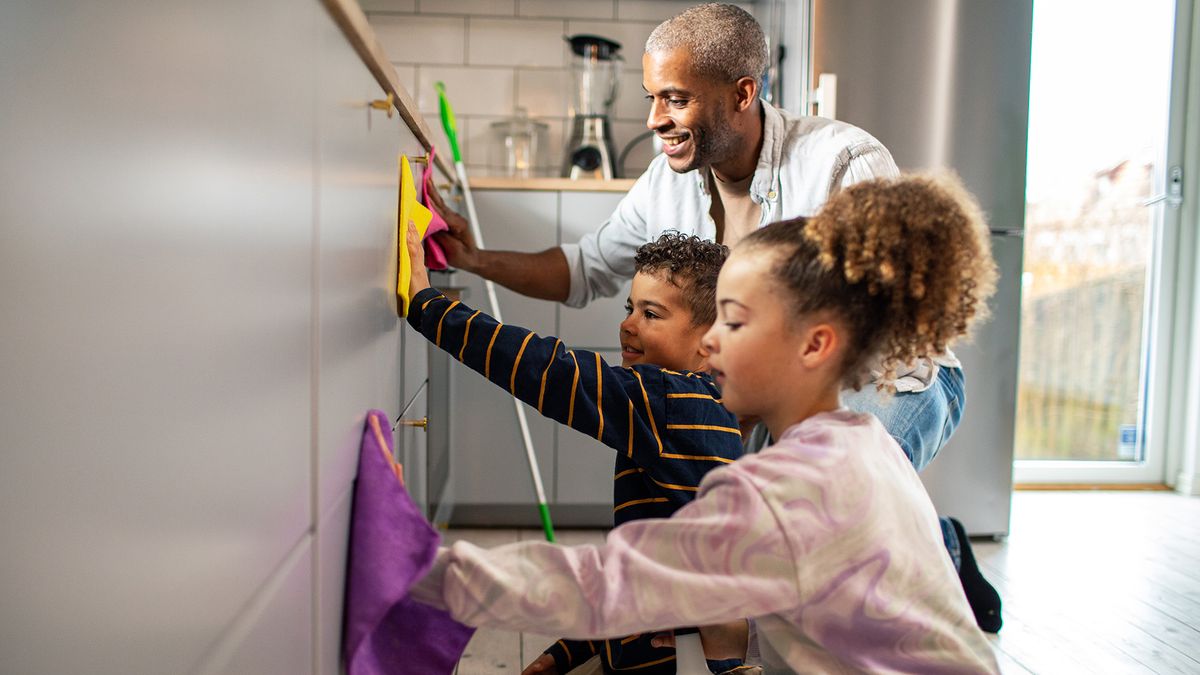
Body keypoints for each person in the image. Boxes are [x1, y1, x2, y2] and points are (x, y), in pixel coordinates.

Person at [428, 2, 1002, 633]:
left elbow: (878, 328)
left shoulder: (842, 161)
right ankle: (925, 534)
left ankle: (923, 548)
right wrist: (474, 259)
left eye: (674, 98)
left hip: (881, 379)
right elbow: (586, 267)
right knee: (754, 539)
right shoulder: (662, 184)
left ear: (742, 94)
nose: (654, 120)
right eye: (651, 97)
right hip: (766, 386)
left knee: (830, 514)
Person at [411, 174, 1001, 672]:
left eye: (735, 323)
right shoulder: (865, 446)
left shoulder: (783, 491)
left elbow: (605, 585)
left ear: (814, 345)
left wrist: (414, 572)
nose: (711, 341)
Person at [405, 231, 746, 673]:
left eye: (652, 314)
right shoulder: (704, 404)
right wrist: (571, 651)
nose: (628, 324)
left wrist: (431, 310)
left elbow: (552, 371)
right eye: (630, 308)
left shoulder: (670, 400)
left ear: (710, 341)